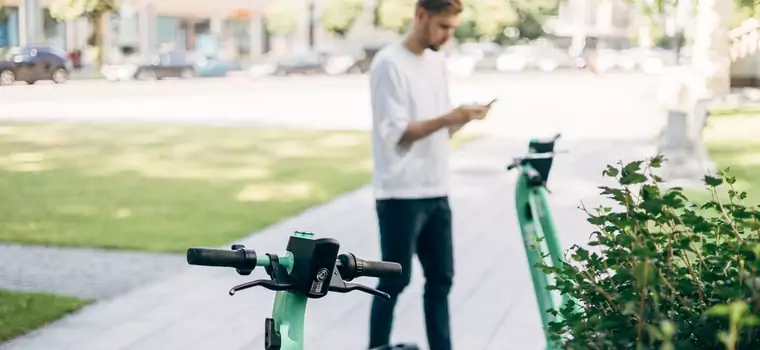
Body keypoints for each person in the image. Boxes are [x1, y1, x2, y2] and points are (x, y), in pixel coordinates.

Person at [367, 0, 491, 349]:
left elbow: (439, 127)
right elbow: (397, 133)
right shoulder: (388, 63)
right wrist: (451, 116)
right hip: (400, 193)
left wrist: (460, 119)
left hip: (437, 189)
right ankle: (375, 346)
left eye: (452, 27)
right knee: (392, 280)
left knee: (441, 280)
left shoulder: (437, 62)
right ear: (421, 15)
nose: (448, 35)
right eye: (443, 26)